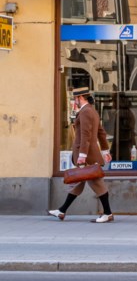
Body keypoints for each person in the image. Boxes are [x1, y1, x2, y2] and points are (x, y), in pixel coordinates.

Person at [48, 87, 114, 223]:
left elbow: (86, 135)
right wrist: (105, 151)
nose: (74, 101)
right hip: (89, 153)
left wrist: (82, 155)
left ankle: (107, 213)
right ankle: (62, 210)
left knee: (96, 183)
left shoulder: (85, 112)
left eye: (75, 98)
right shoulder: (92, 111)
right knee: (78, 182)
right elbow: (101, 133)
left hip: (87, 155)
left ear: (80, 98)